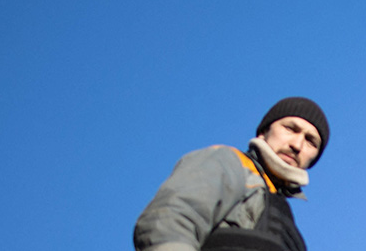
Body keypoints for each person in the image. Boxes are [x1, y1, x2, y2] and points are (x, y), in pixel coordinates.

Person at [134, 97, 330, 251]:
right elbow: (169, 222)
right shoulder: (229, 163)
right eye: (290, 128)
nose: (297, 145)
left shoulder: (287, 224)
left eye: (311, 141)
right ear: (263, 132)